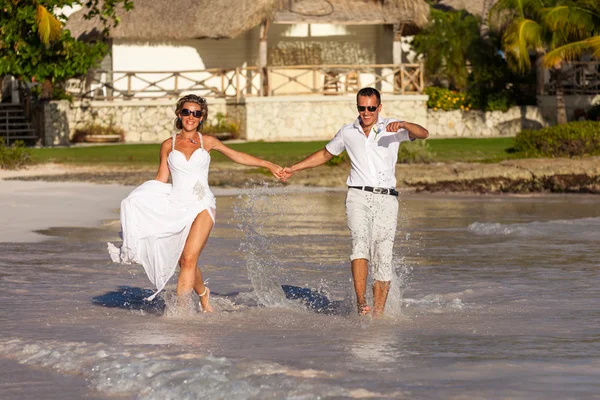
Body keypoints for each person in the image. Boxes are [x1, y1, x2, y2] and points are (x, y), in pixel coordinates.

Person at [108, 94, 282, 312]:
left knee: (190, 256)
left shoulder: (206, 141)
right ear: (179, 115)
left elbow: (236, 156)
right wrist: (136, 201)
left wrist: (267, 164)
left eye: (196, 113)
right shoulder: (167, 145)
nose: (191, 116)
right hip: (176, 205)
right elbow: (161, 178)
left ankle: (181, 312)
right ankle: (203, 293)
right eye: (186, 112)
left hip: (202, 204)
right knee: (182, 260)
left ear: (202, 118)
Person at [279, 87, 429, 316]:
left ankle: (378, 313)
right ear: (357, 107)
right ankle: (361, 303)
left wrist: (405, 124)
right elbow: (325, 154)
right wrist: (294, 168)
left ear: (379, 107)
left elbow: (423, 133)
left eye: (371, 108)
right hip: (357, 195)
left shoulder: (393, 128)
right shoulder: (347, 131)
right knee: (360, 244)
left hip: (387, 197)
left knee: (383, 254)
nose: (366, 112)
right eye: (362, 107)